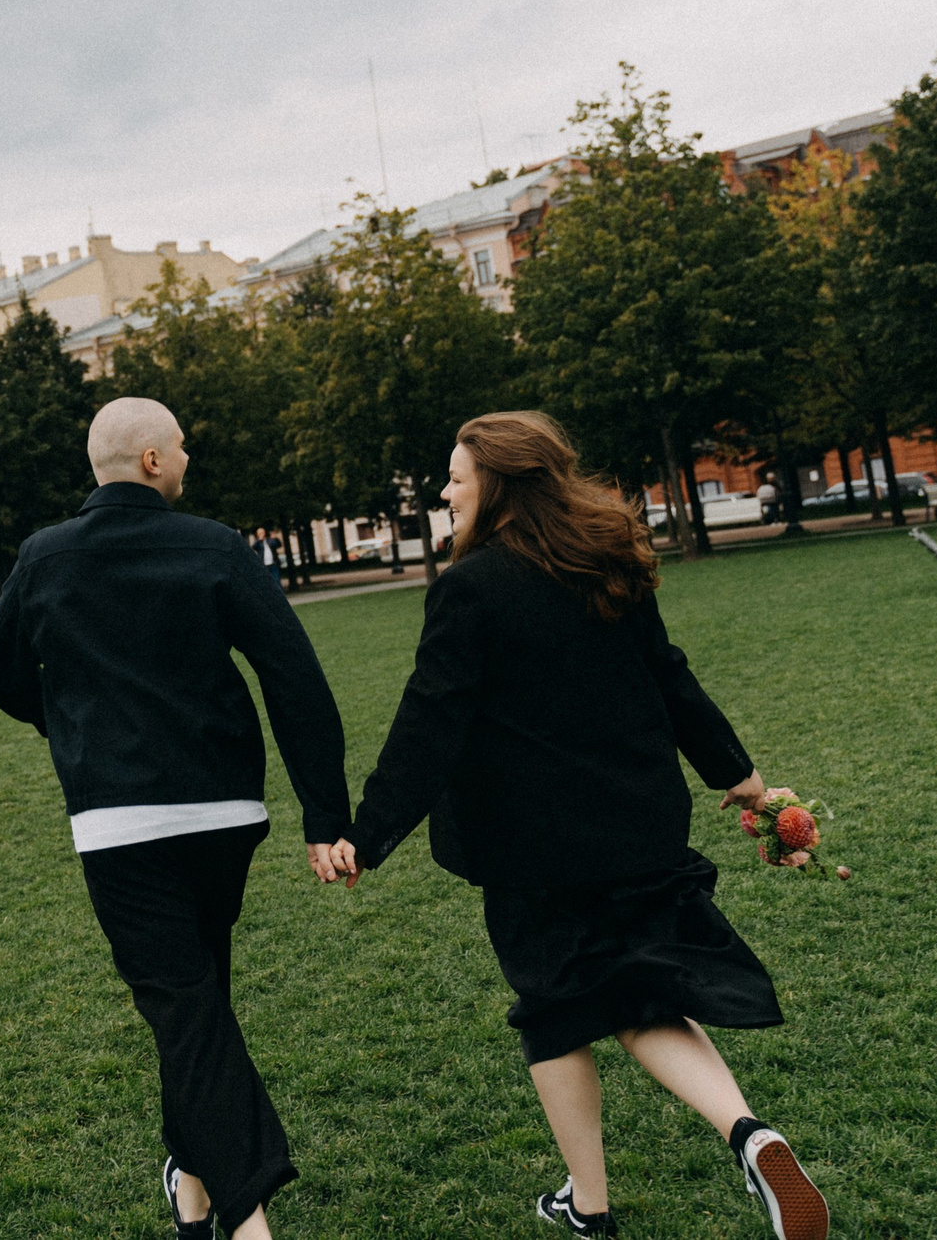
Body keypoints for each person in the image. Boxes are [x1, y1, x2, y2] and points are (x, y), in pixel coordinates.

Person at [328, 412, 826, 1240]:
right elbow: (672, 679)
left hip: (533, 852)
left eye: (456, 477)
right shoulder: (604, 561)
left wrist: (366, 835)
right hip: (636, 825)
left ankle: (590, 1208)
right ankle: (749, 1133)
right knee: (642, 998)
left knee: (556, 1013)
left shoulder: (469, 587)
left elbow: (428, 727)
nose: (445, 491)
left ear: (498, 486)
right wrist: (738, 773)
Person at [0, 397, 351, 1240]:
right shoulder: (215, 546)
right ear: (151, 460)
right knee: (195, 1002)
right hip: (222, 815)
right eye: (180, 445)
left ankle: (240, 1216)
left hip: (118, 826)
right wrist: (324, 812)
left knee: (188, 1010)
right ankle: (194, 1195)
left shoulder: (43, 557)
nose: (187, 457)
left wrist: (66, 723)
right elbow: (294, 676)